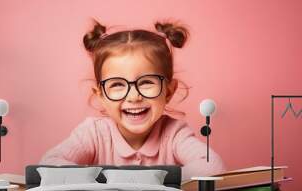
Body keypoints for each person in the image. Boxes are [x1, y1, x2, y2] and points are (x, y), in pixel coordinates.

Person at [39, 19, 226, 181]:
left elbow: (212, 167)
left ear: (169, 91)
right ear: (101, 95)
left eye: (146, 82)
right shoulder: (93, 133)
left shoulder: (174, 134)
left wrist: (150, 180)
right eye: (117, 84)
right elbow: (49, 165)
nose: (133, 96)